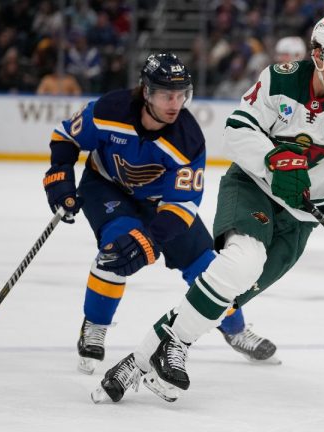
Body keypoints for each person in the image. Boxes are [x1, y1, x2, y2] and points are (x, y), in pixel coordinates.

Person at [92, 15, 324, 404]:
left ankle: (145, 358)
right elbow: (239, 128)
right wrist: (274, 161)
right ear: (318, 54)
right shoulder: (279, 79)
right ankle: (167, 351)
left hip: (301, 216)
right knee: (241, 263)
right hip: (253, 188)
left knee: (230, 294)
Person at [42, 52, 277, 375]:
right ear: (147, 92)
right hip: (106, 187)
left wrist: (150, 239)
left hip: (162, 204)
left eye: (182, 95)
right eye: (168, 94)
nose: (176, 103)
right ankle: (95, 325)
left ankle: (236, 329)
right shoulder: (109, 110)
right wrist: (60, 179)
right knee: (116, 250)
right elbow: (66, 136)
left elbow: (181, 206)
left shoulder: (188, 139)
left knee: (207, 268)